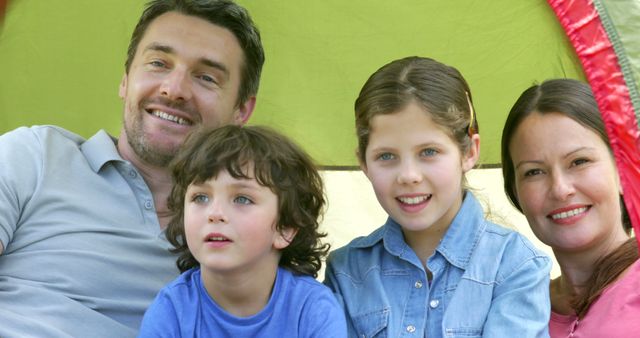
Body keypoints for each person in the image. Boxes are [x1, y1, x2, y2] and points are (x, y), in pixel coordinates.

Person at [0, 0, 264, 337]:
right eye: (158, 63)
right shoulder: (35, 153)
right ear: (125, 79)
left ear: (241, 110)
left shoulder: (250, 234)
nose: (174, 90)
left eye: (206, 77)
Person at [323, 56, 552, 337]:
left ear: (468, 152)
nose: (409, 175)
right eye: (386, 156)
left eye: (428, 152)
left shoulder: (516, 266)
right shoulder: (347, 271)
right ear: (364, 164)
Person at [137, 125, 347, 337]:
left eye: (242, 199)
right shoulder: (171, 311)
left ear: (286, 227)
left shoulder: (313, 309)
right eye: (200, 197)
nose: (215, 213)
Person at [501, 78, 640, 337]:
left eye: (579, 161)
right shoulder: (508, 308)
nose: (560, 189)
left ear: (623, 170)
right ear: (515, 191)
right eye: (533, 172)